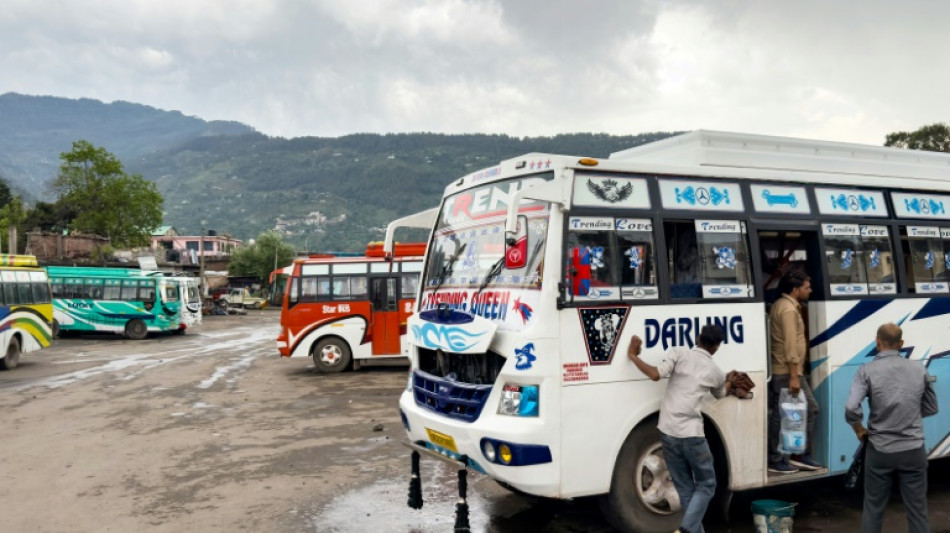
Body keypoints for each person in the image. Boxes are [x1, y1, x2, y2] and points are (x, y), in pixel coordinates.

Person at [627, 325, 735, 533]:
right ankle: (686, 529)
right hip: (692, 435)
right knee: (707, 485)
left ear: (698, 337)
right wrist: (729, 382)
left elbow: (655, 374)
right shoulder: (715, 372)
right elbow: (720, 394)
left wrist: (633, 356)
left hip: (667, 431)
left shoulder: (678, 353)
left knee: (685, 489)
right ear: (716, 347)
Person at [845, 323, 938, 533]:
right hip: (914, 450)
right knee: (917, 510)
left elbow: (851, 406)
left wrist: (858, 429)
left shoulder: (865, 371)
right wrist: (908, 416)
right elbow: (931, 407)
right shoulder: (919, 368)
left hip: (879, 450)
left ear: (877, 342)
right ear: (901, 344)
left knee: (873, 508)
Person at [767, 270, 822, 473]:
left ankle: (796, 454)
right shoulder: (788, 310)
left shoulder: (784, 306)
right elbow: (790, 345)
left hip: (790, 371)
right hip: (788, 372)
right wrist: (793, 376)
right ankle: (781, 457)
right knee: (788, 415)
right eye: (807, 287)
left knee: (792, 413)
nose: (810, 290)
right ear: (795, 289)